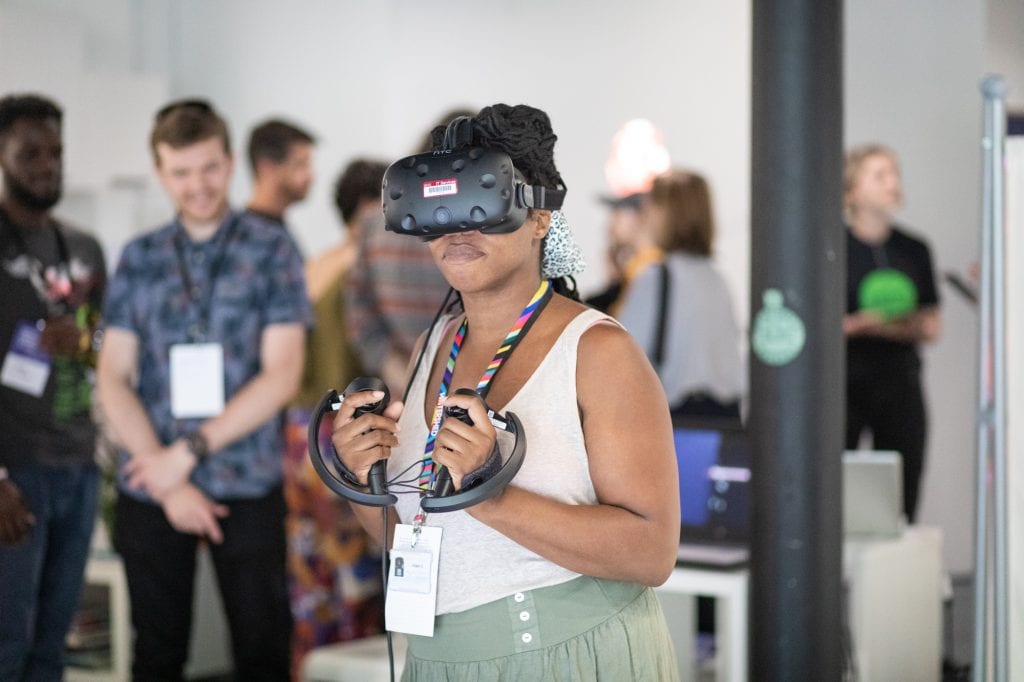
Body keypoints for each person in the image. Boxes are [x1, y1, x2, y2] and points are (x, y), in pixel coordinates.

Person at [331, 104, 680, 680]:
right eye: (438, 205)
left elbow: (652, 551)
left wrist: (492, 496)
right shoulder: (429, 348)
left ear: (539, 217)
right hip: (441, 659)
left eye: (483, 199)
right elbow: (415, 535)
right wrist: (359, 477)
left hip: (568, 656)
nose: (457, 227)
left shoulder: (597, 353)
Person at [96, 99, 311, 680]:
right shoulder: (139, 258)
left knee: (263, 651)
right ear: (161, 174)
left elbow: (282, 374)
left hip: (246, 480)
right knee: (157, 655)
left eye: (209, 168)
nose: (198, 185)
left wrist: (186, 455)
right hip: (153, 487)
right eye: (182, 172)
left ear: (231, 161)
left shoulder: (272, 250)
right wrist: (165, 479)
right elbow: (112, 377)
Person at [0, 93, 106, 682]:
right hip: (14, 476)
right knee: (7, 644)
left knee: (51, 646)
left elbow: (106, 347)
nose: (48, 165)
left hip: (77, 466)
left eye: (57, 153)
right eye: (31, 152)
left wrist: (85, 342)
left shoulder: (84, 248)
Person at [283, 159, 387, 672]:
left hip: (297, 436)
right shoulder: (365, 269)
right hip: (343, 433)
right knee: (355, 579)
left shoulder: (317, 264)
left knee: (310, 580)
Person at [843, 144, 941, 523]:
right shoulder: (833, 249)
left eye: (895, 173)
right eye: (879, 175)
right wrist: (860, 325)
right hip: (847, 389)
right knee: (840, 483)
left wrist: (879, 325)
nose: (892, 184)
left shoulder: (914, 249)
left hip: (900, 386)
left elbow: (931, 324)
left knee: (903, 488)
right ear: (852, 190)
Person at [344, 110, 469, 396]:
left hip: (403, 389)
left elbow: (359, 317)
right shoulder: (471, 231)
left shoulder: (373, 223)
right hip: (471, 389)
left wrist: (401, 375)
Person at [615, 169, 744, 421]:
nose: (646, 213)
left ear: (668, 212)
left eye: (653, 203)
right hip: (726, 417)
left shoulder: (655, 277)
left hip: (676, 418)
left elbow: (624, 354)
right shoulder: (717, 280)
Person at [245, 118, 315, 225]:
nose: (310, 176)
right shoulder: (244, 236)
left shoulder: (276, 233)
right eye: (300, 164)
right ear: (266, 167)